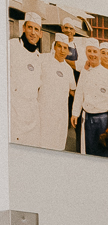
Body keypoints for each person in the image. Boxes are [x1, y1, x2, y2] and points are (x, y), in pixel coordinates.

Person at [10, 10, 45, 148]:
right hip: (14, 115)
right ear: (23, 28)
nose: (33, 32)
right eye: (29, 27)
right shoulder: (11, 46)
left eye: (36, 29)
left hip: (32, 117)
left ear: (41, 34)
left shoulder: (38, 57)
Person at [38, 32, 74, 153]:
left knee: (58, 146)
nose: (62, 50)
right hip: (44, 112)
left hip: (60, 115)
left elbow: (72, 90)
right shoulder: (43, 62)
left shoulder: (68, 69)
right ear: (54, 47)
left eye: (65, 47)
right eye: (59, 46)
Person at [77, 39, 108, 157]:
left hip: (104, 119)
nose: (92, 54)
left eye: (94, 51)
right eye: (89, 51)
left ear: (98, 53)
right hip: (88, 118)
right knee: (89, 151)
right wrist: (75, 113)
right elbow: (79, 92)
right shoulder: (85, 71)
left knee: (105, 152)